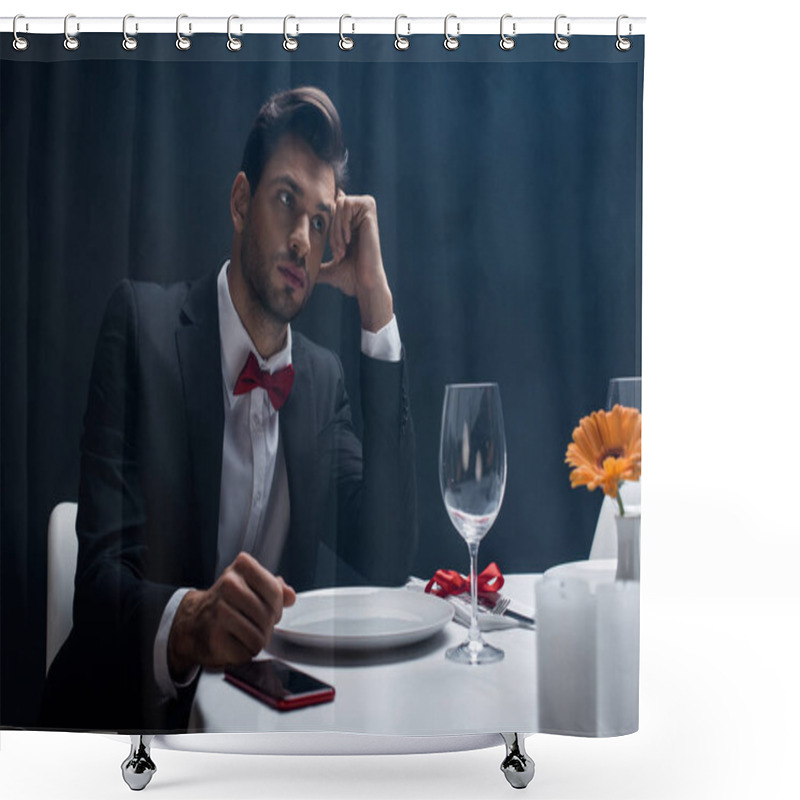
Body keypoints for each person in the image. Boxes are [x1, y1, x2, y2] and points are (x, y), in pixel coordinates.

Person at [41, 87, 417, 732]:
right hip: (122, 724)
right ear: (242, 203)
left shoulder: (322, 381)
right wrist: (189, 622)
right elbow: (100, 586)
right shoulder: (141, 327)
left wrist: (374, 303)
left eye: (320, 221)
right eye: (285, 202)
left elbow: (387, 556)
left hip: (266, 731)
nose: (302, 238)